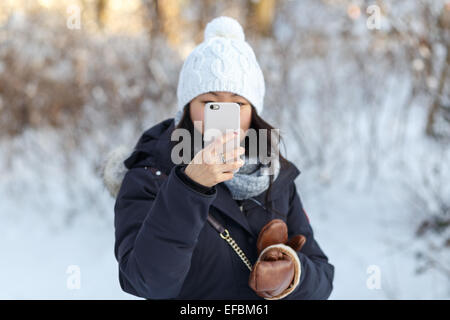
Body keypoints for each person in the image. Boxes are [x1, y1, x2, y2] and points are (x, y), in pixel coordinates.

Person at [110, 16, 334, 300]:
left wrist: (293, 275)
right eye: (211, 103)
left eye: (239, 103)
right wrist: (190, 187)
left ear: (253, 111)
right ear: (188, 106)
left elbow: (324, 279)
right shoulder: (151, 174)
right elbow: (148, 282)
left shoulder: (274, 174)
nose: (225, 116)